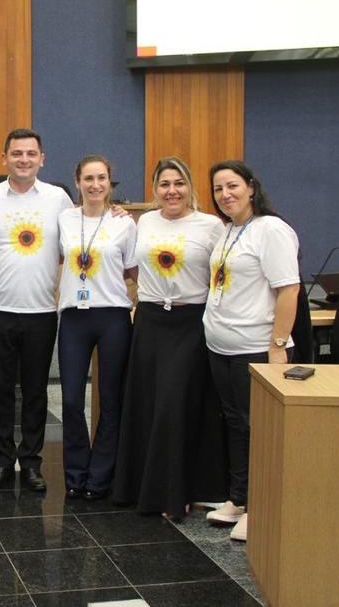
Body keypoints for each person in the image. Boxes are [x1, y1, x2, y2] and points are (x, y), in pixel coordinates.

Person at [113, 157, 227, 520]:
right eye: (164, 184)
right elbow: (128, 263)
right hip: (149, 321)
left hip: (190, 323)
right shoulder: (142, 221)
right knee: (148, 405)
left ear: (190, 186)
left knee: (176, 405)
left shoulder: (211, 225)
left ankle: (178, 493)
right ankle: (143, 489)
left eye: (178, 183)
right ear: (154, 189)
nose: (172, 191)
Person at [204, 160, 300, 542]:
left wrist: (277, 345)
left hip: (255, 349)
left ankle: (260, 507)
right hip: (220, 346)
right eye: (218, 189)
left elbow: (288, 290)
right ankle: (239, 498)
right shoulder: (229, 231)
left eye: (232, 186)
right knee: (234, 423)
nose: (225, 195)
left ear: (251, 188)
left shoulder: (271, 230)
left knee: (258, 428)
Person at [0, 128, 74, 491]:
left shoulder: (58, 198)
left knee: (35, 391)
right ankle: (2, 461)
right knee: (0, 389)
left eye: (31, 154)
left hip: (41, 311)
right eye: (16, 153)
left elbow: (82, 231)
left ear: (42, 159)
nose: (24, 160)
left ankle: (31, 463)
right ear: (4, 158)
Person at [56, 155, 137, 500]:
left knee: (110, 399)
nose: (95, 185)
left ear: (109, 182)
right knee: (72, 399)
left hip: (113, 316)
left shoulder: (125, 223)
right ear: (77, 182)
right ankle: (75, 473)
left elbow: (133, 272)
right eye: (88, 178)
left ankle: (100, 476)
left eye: (101, 178)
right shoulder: (64, 219)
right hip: (74, 316)